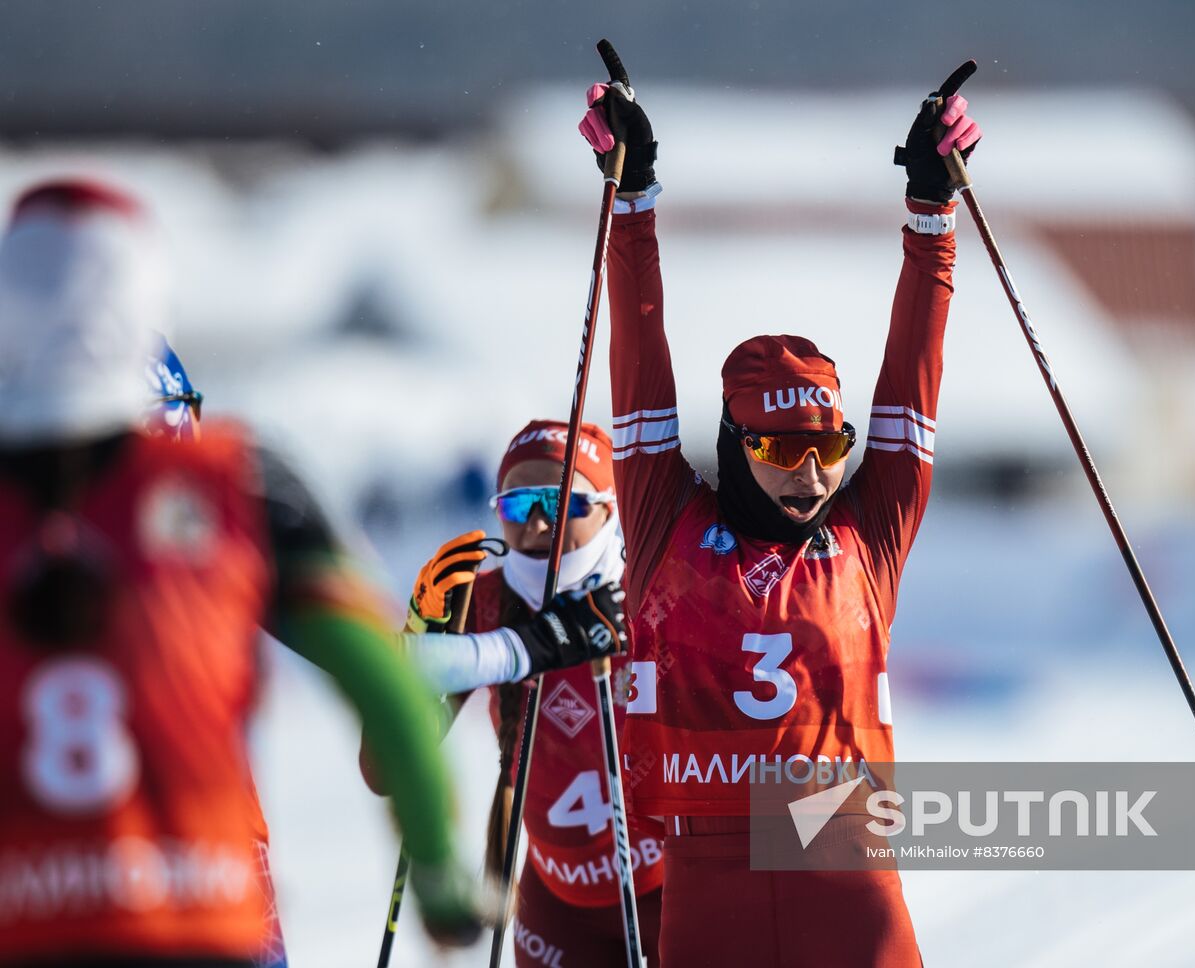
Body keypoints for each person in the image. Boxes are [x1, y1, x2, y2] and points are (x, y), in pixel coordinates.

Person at [0, 179, 482, 967]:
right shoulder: (234, 480)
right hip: (206, 901)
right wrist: (435, 864)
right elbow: (387, 687)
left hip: (29, 913)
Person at [579, 74, 982, 966]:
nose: (808, 478)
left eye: (825, 450)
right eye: (775, 452)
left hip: (847, 865)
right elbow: (640, 361)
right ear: (730, 447)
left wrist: (930, 213)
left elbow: (913, 375)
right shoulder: (663, 525)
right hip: (709, 882)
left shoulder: (866, 538)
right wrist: (633, 197)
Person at [377, 419, 664, 968]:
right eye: (516, 506)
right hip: (556, 906)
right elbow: (383, 767)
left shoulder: (661, 590)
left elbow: (777, 746)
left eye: (562, 506)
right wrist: (421, 629)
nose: (537, 524)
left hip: (672, 893)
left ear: (610, 506)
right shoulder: (484, 602)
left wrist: (832, 860)